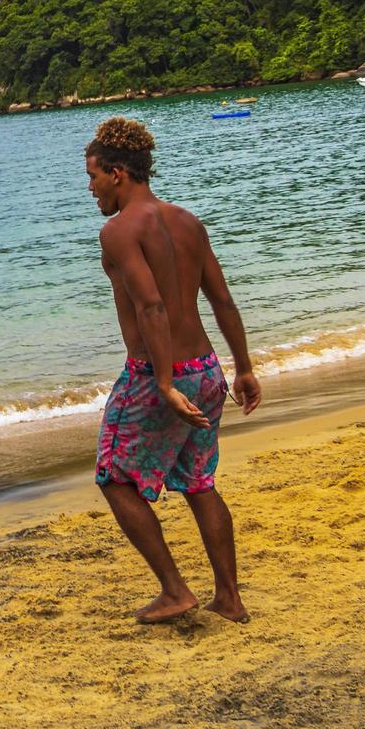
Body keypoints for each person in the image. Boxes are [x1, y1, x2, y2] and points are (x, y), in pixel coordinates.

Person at [85, 117, 262, 625]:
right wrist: (243, 367)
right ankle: (229, 598)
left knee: (114, 477)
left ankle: (175, 590)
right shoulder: (186, 221)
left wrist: (162, 382)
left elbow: (152, 308)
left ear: (117, 173)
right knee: (199, 482)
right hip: (207, 369)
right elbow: (222, 300)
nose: (91, 188)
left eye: (93, 177)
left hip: (154, 375)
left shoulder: (118, 230)